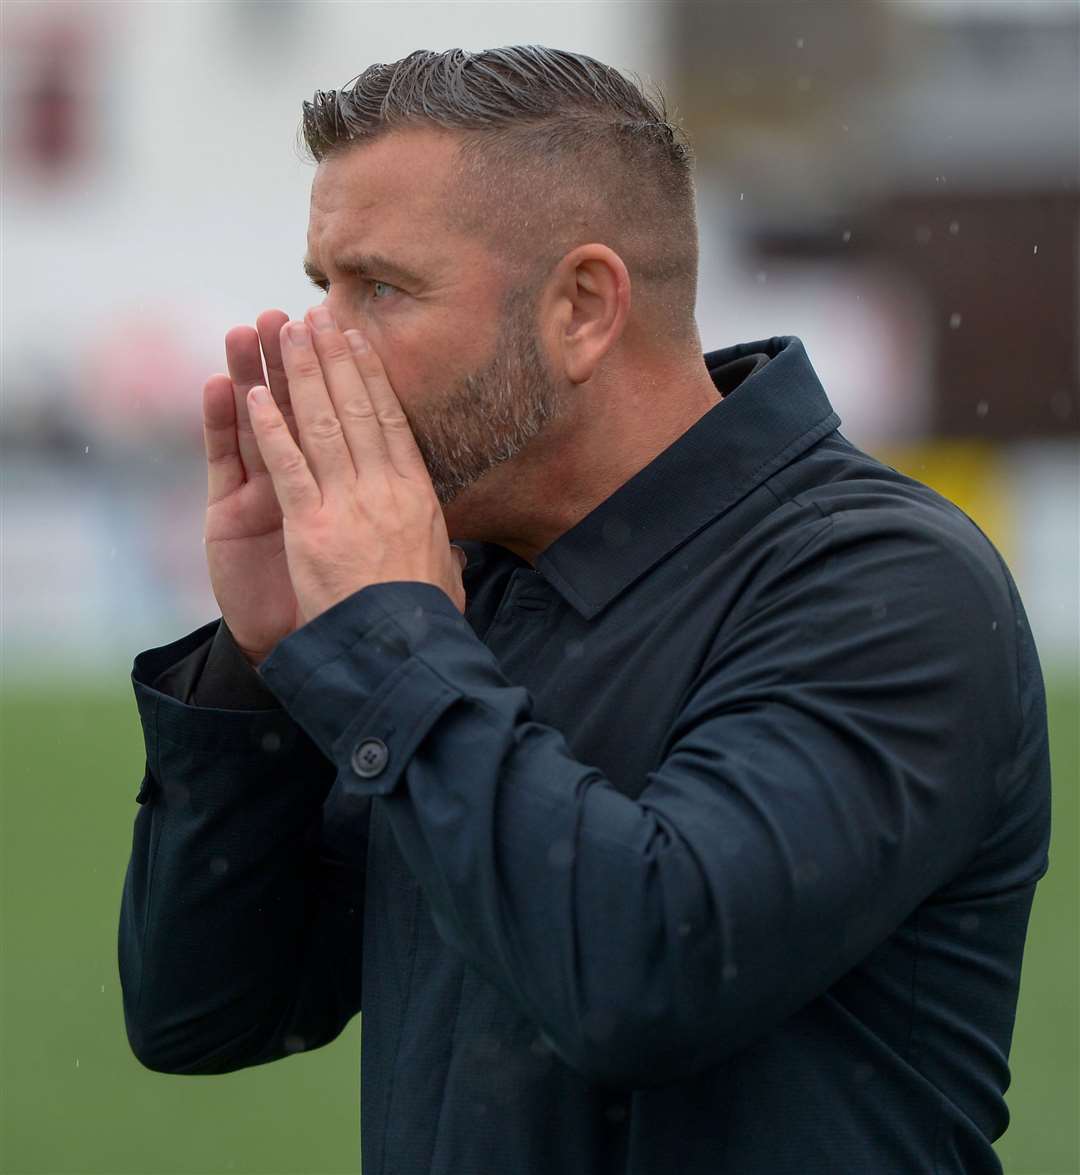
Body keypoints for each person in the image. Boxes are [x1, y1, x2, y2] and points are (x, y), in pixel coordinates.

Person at [118, 46, 1051, 1175]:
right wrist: (263, 663)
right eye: (322, 285)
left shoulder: (886, 581)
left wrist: (393, 635)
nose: (321, 346)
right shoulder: (465, 580)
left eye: (381, 288)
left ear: (583, 307)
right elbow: (207, 1013)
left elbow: (643, 973)